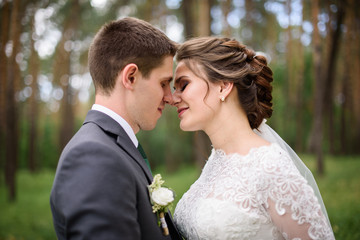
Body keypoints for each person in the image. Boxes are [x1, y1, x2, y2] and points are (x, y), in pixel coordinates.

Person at [172, 36, 335, 240]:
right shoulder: (216, 161)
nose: (172, 98)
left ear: (223, 86)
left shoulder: (271, 167)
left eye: (183, 85)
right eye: (174, 88)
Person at [50, 17, 182, 240]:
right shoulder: (94, 156)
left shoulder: (115, 147)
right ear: (131, 77)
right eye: (163, 83)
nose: (170, 97)